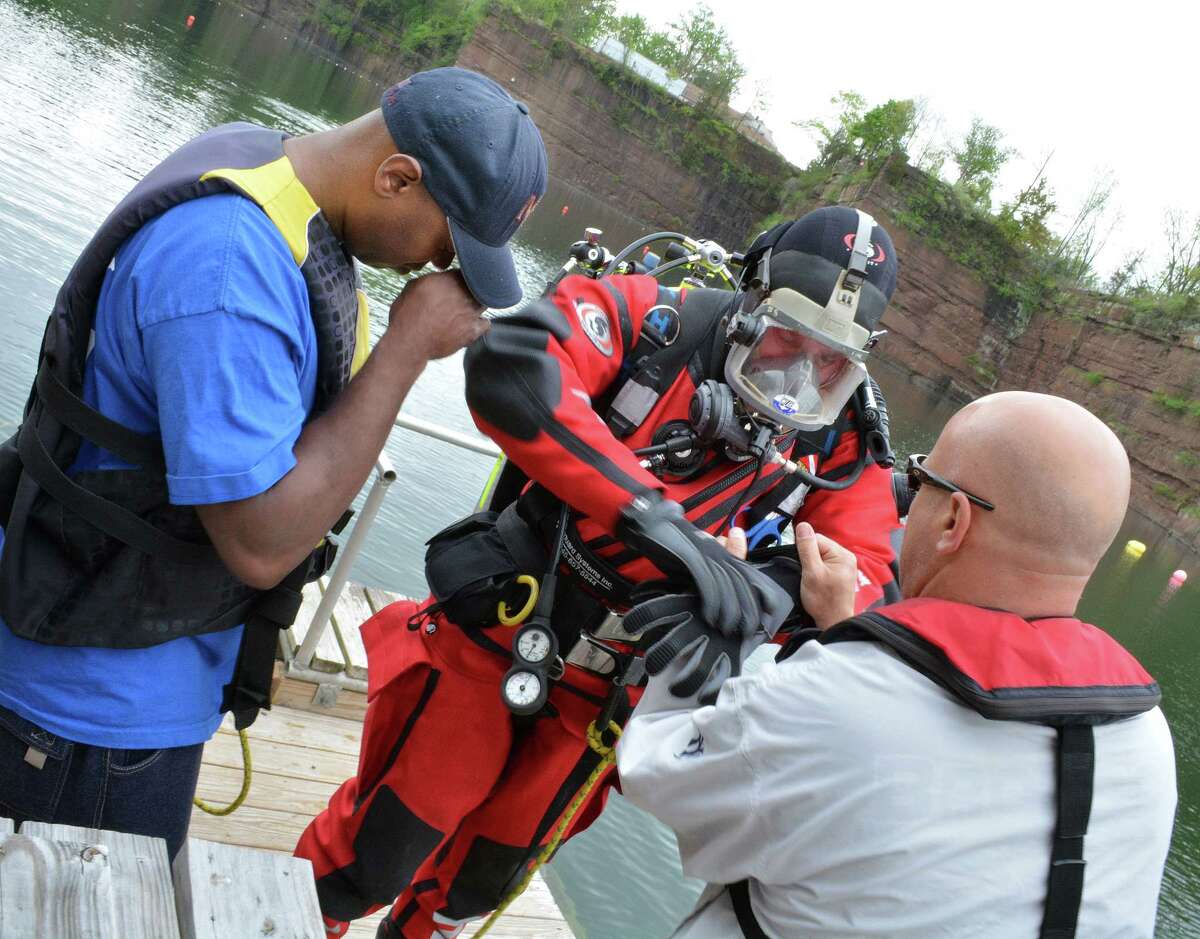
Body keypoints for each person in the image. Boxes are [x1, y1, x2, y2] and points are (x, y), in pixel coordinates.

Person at [297, 206, 905, 938]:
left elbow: (872, 572)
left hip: (613, 695)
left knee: (478, 883)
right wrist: (665, 530)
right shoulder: (658, 325)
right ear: (754, 296)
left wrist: (760, 593)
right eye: (789, 333)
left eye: (831, 356)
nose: (801, 369)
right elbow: (512, 365)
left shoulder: (839, 435)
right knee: (378, 849)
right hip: (508, 625)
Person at [0, 67, 547, 859]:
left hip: (143, 674)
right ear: (398, 177)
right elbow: (260, 544)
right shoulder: (229, 265)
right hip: (88, 716)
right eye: (447, 243)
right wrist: (405, 349)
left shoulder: (274, 171)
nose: (439, 270)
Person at [617, 391, 1177, 939]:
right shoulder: (1146, 735)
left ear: (954, 520)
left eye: (919, 482)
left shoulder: (841, 698)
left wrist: (713, 628)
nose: (904, 507)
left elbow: (654, 771)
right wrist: (843, 631)